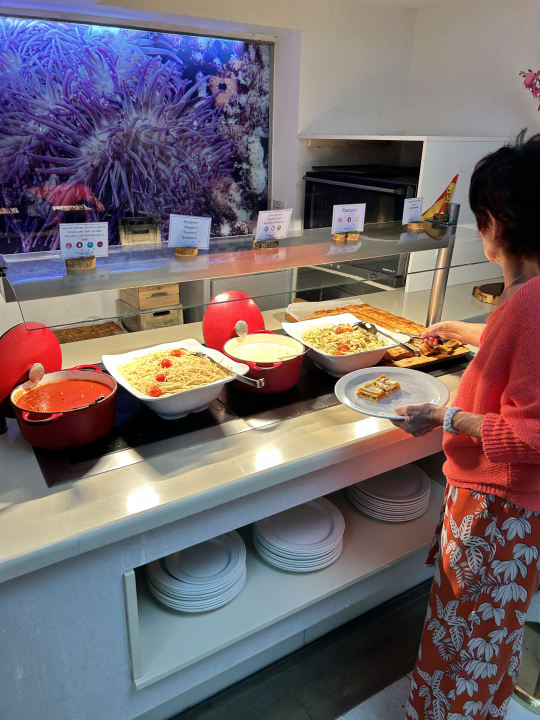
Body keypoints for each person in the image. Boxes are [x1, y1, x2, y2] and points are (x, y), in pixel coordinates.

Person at [394, 131, 540, 719]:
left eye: (481, 218)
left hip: (498, 510)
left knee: (463, 636)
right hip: (510, 509)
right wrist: (457, 330)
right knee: (489, 633)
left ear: (498, 222)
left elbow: (532, 435)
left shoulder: (531, 303)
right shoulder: (528, 295)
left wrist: (447, 416)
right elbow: (515, 347)